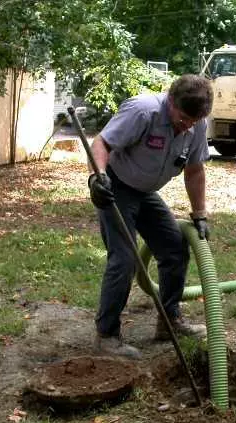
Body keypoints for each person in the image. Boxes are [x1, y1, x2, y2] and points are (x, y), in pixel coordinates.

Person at [87, 74, 214, 359]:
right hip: (117, 187)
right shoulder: (143, 111)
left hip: (145, 193)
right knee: (125, 258)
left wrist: (199, 215)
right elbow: (101, 144)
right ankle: (106, 335)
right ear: (171, 100)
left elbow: (195, 170)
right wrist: (97, 179)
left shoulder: (196, 123)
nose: (188, 126)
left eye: (194, 122)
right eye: (183, 119)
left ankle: (169, 322)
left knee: (175, 248)